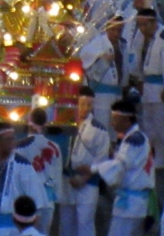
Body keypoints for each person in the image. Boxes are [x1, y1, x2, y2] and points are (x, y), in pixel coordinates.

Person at [72, 99, 154, 236]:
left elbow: (120, 165)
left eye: (115, 119)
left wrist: (93, 169)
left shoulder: (134, 140)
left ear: (126, 120)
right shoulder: (137, 138)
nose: (112, 123)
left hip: (130, 204)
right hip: (135, 204)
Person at [124, 6, 164, 157]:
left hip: (162, 86)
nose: (142, 28)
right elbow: (137, 61)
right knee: (147, 124)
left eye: (145, 24)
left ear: (153, 23)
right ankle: (150, 156)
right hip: (147, 86)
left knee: (162, 124)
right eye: (140, 24)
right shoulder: (140, 37)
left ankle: (162, 157)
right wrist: (139, 80)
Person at [58, 88, 110, 236]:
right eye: (82, 104)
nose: (86, 108)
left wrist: (84, 178)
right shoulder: (63, 123)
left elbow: (102, 159)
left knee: (85, 224)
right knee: (65, 224)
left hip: (88, 182)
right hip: (66, 179)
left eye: (89, 104)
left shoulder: (100, 130)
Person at [12, 110, 60, 234]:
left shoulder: (20, 146)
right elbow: (58, 176)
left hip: (27, 200)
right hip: (48, 199)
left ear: (29, 121)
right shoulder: (54, 147)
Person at [79, 13, 126, 124]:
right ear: (106, 28)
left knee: (116, 127)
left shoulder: (123, 45)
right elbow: (84, 60)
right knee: (102, 125)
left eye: (119, 30)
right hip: (101, 95)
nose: (116, 33)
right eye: (113, 29)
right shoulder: (97, 43)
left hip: (118, 94)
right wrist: (102, 60)